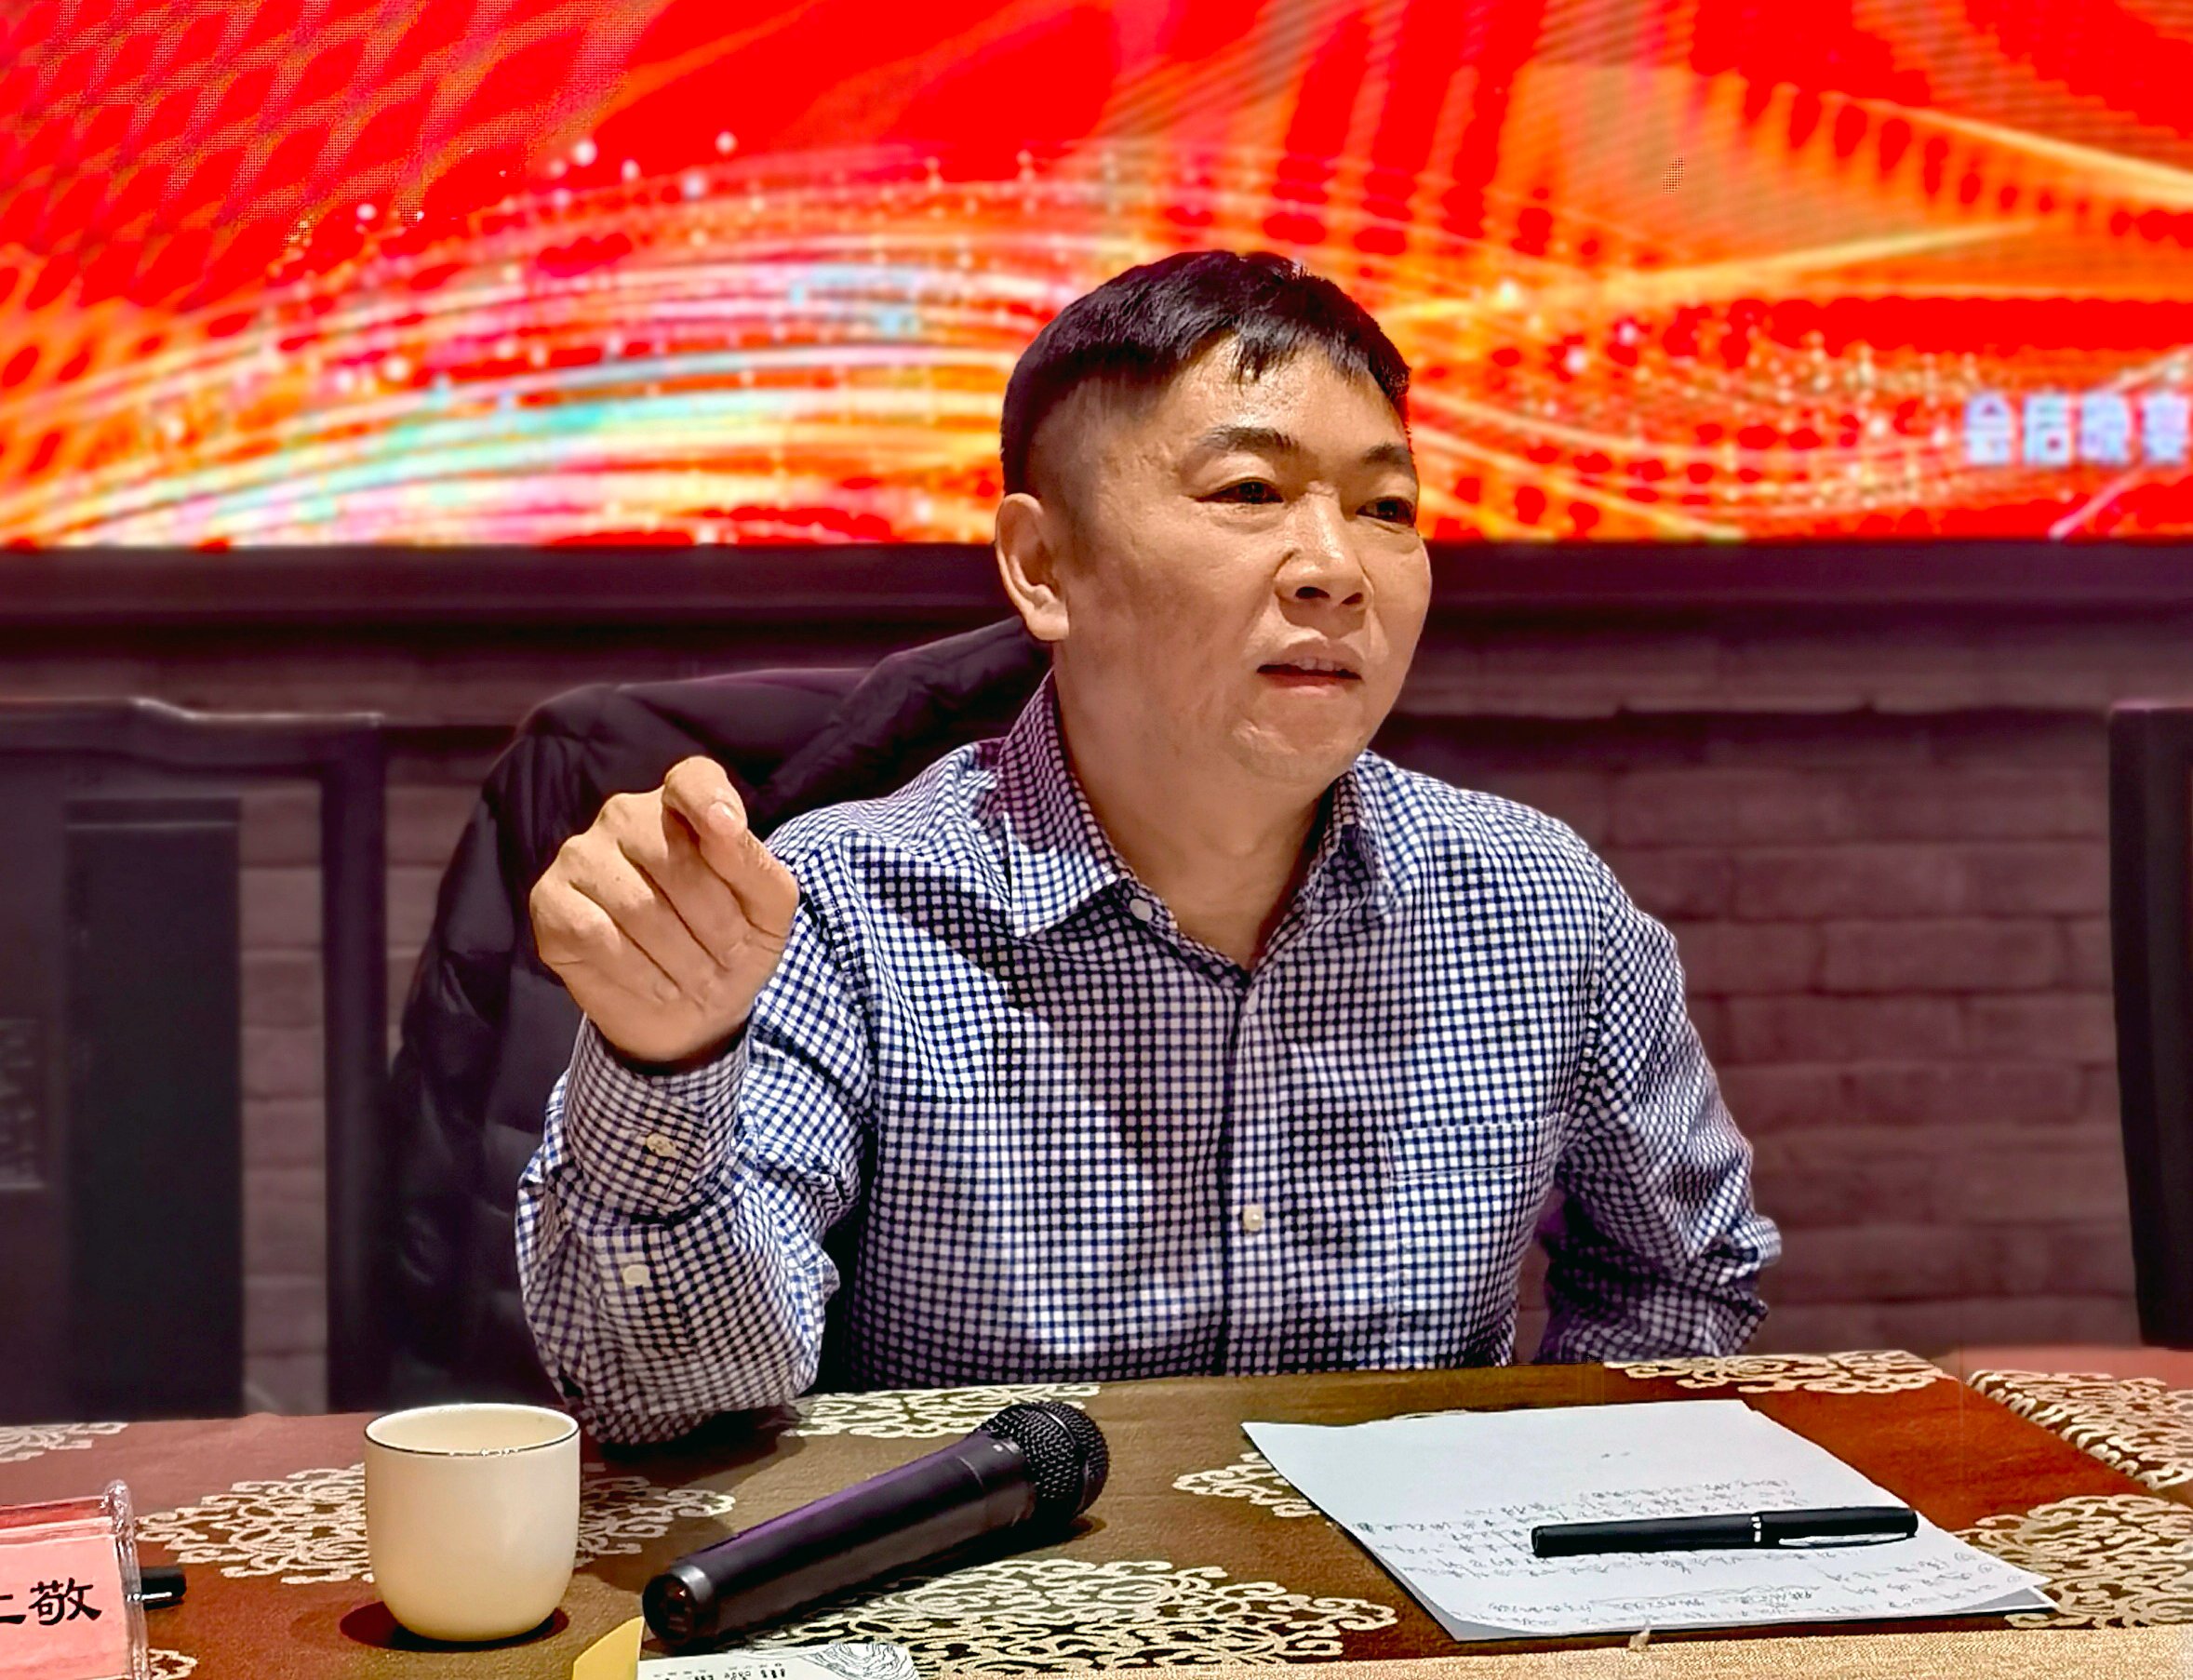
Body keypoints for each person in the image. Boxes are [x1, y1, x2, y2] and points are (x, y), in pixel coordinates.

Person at [517, 250, 1780, 1445]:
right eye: (1250, 492)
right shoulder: (846, 908)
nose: (1337, 567)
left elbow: (1683, 1275)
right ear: (1041, 565)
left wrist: (1529, 1506)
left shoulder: (1539, 904)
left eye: (1387, 506)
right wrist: (666, 1060)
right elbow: (667, 1402)